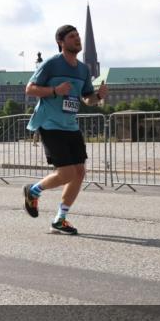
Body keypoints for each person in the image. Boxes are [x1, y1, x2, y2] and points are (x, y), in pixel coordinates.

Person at [22, 24, 108, 235]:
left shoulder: (83, 69)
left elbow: (87, 99)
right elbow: (29, 89)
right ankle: (33, 191)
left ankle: (60, 219)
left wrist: (98, 96)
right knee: (67, 173)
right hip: (50, 124)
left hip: (71, 125)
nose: (77, 39)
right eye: (72, 36)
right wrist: (54, 90)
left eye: (78, 36)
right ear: (61, 42)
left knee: (79, 172)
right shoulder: (52, 63)